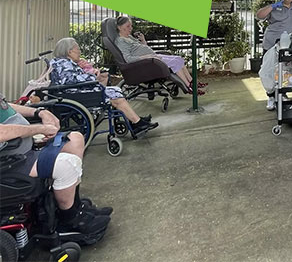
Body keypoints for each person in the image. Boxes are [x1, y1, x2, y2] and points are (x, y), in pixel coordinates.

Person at [0, 92, 112, 237]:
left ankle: (74, 206)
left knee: (75, 139)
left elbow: (6, 107)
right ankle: (69, 220)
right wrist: (39, 128)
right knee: (66, 165)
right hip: (8, 162)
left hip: (20, 150)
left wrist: (40, 112)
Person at [51, 38, 158, 135]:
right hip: (77, 95)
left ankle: (135, 120)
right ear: (69, 51)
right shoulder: (64, 64)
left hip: (77, 92)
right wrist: (93, 76)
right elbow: (71, 81)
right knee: (116, 96)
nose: (79, 51)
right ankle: (137, 123)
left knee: (114, 91)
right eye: (77, 49)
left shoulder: (64, 62)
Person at [114, 16, 204, 94]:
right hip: (147, 62)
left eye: (131, 26)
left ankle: (192, 82)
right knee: (175, 63)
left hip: (152, 57)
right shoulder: (121, 41)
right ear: (119, 27)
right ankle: (188, 87)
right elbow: (128, 59)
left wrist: (143, 40)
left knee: (178, 59)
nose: (131, 28)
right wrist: (147, 57)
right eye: (128, 26)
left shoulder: (129, 37)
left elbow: (142, 48)